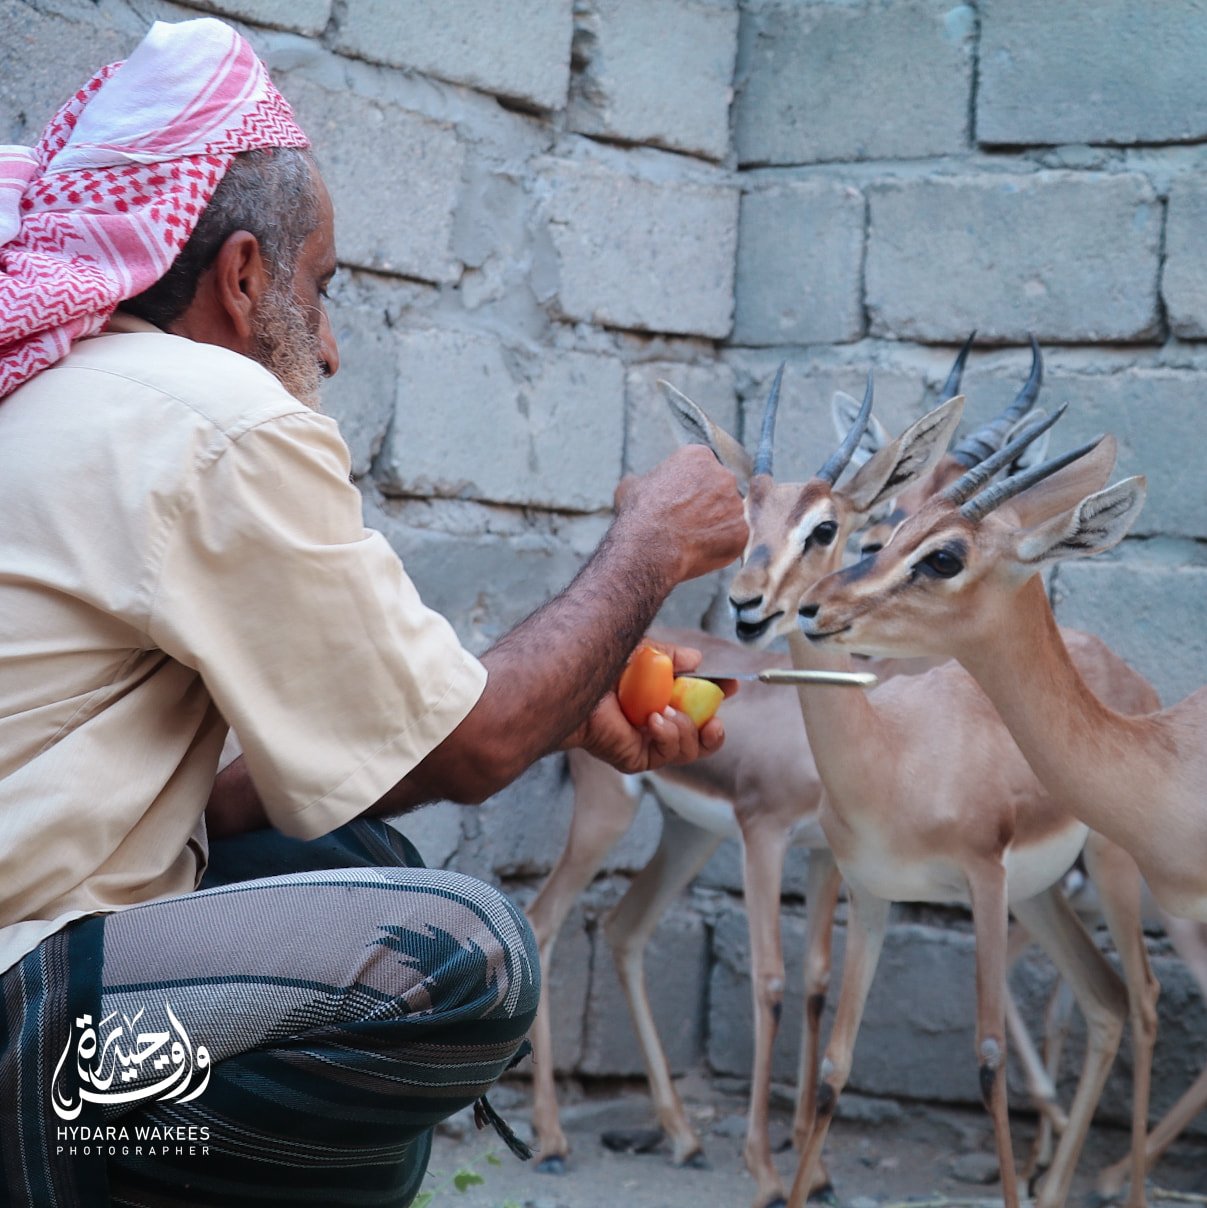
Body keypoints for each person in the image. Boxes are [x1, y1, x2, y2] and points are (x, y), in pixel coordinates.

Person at [0, 18, 746, 1208]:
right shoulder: (206, 414)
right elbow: (473, 742)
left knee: (337, 848)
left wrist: (560, 710)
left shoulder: (72, 397)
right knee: (461, 956)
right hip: (19, 1002)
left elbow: (358, 759)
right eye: (319, 290)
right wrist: (650, 545)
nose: (332, 348)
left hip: (47, 947)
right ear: (244, 277)